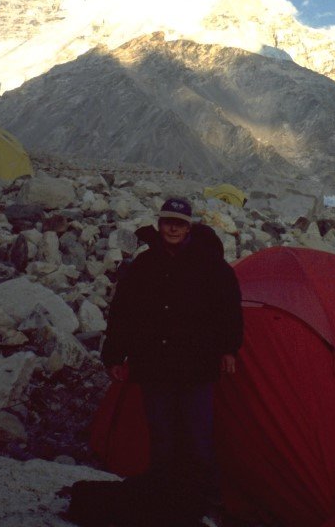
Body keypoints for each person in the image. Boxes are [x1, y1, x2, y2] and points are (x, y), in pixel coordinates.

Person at [101, 197, 244, 526]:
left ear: (188, 226)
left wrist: (228, 349)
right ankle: (165, 500)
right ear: (159, 224)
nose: (173, 228)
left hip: (196, 367)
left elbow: (229, 310)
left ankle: (207, 501)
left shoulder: (210, 265)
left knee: (198, 437)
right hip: (155, 366)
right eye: (168, 222)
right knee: (162, 436)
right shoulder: (144, 265)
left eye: (179, 223)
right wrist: (114, 355)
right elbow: (123, 314)